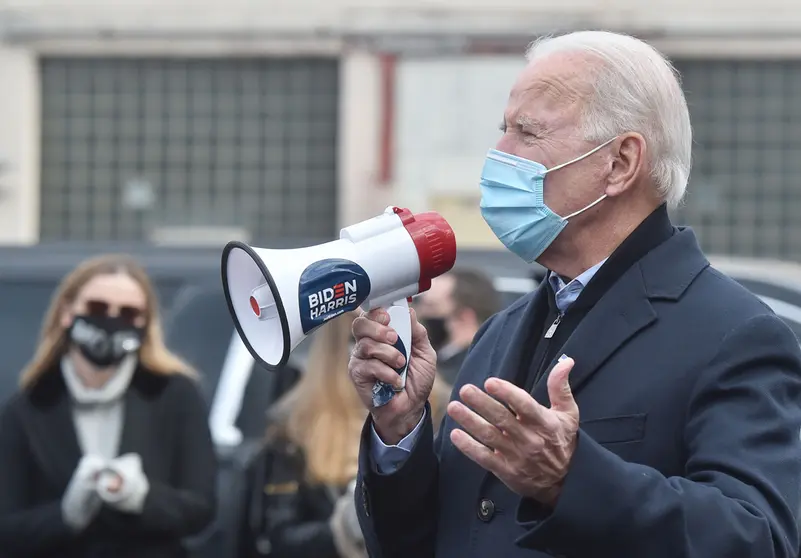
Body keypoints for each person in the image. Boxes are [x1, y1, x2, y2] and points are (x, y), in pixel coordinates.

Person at [347, 30, 801, 558]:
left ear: (621, 163)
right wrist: (400, 430)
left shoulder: (732, 334)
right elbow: (436, 539)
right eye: (503, 130)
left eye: (528, 133)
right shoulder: (502, 330)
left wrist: (572, 480)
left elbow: (758, 538)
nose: (499, 155)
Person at [0, 254, 218, 558]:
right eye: (97, 307)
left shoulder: (173, 394)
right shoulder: (29, 407)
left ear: (145, 324)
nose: (111, 319)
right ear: (67, 311)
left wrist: (140, 496)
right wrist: (66, 514)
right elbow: (7, 527)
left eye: (128, 313)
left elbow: (201, 508)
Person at [238, 311, 450, 558]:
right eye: (364, 341)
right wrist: (343, 527)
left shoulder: (443, 409)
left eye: (390, 337)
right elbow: (276, 536)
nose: (381, 353)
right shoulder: (297, 424)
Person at [414, 268, 501, 385]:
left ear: (465, 318)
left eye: (432, 307)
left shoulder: (473, 374)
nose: (421, 313)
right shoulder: (442, 359)